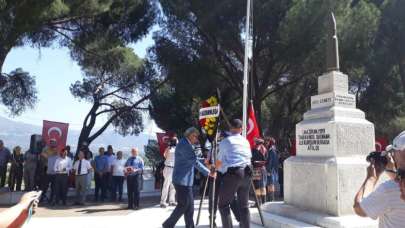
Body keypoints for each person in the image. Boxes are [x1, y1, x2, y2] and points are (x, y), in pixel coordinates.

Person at [162, 127, 213, 228]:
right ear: (190, 135)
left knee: (190, 207)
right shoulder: (184, 145)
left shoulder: (186, 143)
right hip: (182, 180)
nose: (197, 139)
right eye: (196, 136)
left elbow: (195, 159)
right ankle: (168, 224)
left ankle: (189, 226)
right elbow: (194, 161)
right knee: (183, 205)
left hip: (185, 180)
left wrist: (206, 160)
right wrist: (208, 172)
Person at [353, 131, 405, 228]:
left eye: (393, 152)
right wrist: (392, 171)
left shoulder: (388, 190)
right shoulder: (396, 187)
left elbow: (359, 208)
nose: (392, 156)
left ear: (400, 154)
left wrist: (371, 178)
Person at [216, 119, 252, 228]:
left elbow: (219, 160)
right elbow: (249, 156)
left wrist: (214, 170)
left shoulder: (226, 141)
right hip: (247, 172)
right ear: (241, 129)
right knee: (244, 206)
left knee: (223, 205)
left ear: (230, 129)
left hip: (234, 173)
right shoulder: (246, 141)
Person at [160, 137, 177, 208]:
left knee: (173, 186)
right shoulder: (169, 149)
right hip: (168, 168)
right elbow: (165, 156)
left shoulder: (177, 149)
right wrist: (168, 148)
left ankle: (171, 201)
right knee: (166, 185)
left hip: (174, 169)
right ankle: (163, 202)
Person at [251, 138, 268, 205]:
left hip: (256, 169)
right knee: (263, 185)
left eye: (255, 142)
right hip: (263, 168)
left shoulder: (255, 150)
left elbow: (252, 159)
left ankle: (258, 203)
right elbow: (266, 159)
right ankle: (264, 202)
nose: (254, 143)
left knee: (257, 186)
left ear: (257, 143)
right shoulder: (265, 149)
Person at [265, 138, 279, 202]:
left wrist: (268, 170)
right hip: (273, 170)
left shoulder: (271, 150)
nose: (266, 143)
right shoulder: (274, 149)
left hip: (271, 170)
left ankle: (271, 199)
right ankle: (271, 198)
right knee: (271, 184)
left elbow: (271, 161)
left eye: (267, 142)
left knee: (270, 184)